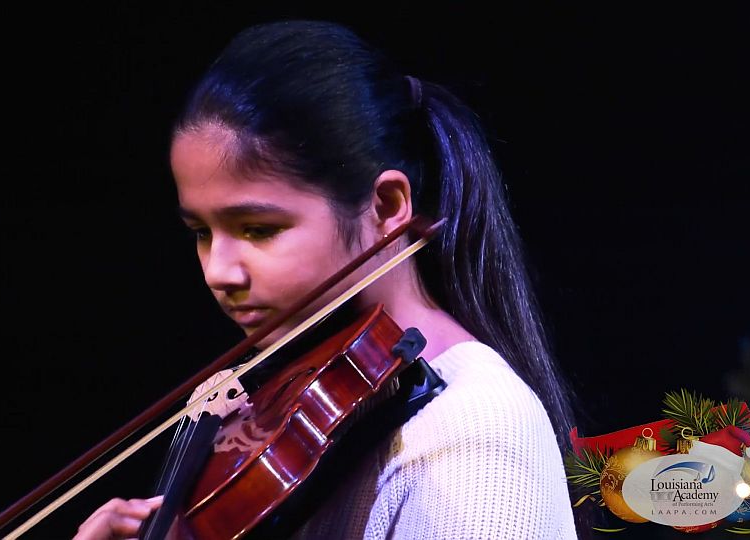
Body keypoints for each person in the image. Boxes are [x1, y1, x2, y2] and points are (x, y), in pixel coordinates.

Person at [74, 19, 579, 540]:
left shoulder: (474, 435)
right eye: (202, 231)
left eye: (258, 229)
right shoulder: (299, 396)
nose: (218, 272)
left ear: (386, 206)